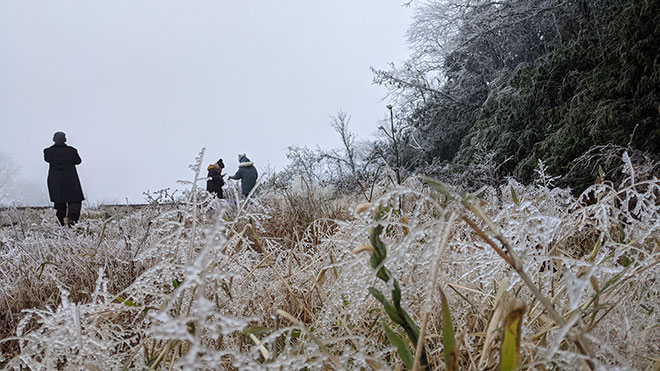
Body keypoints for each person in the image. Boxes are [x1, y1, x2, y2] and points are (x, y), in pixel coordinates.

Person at [44, 131, 84, 226]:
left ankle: (60, 224)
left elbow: (47, 159)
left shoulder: (48, 152)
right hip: (71, 180)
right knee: (74, 201)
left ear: (54, 139)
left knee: (59, 203)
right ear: (65, 139)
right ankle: (72, 218)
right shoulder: (72, 151)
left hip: (55, 181)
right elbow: (78, 161)